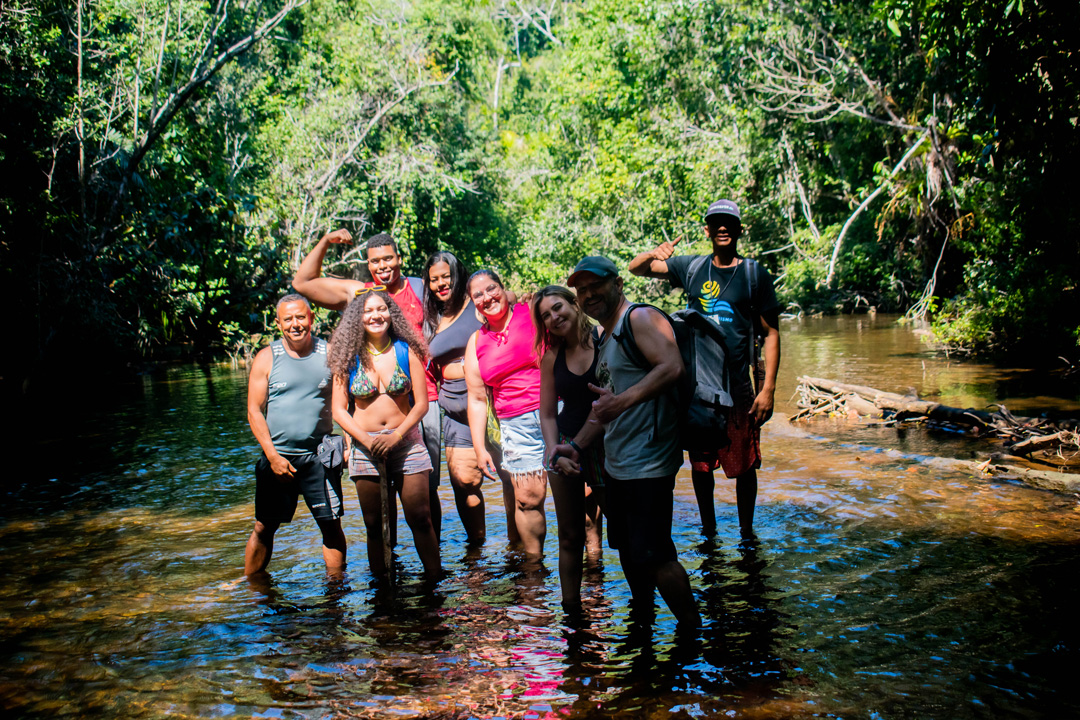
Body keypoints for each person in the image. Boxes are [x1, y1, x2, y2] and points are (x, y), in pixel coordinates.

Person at [559, 256, 700, 628]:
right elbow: (603, 411)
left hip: (650, 461)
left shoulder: (639, 318)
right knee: (629, 550)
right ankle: (644, 623)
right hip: (618, 465)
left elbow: (671, 367)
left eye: (596, 286)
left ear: (618, 284)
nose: (589, 295)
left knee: (656, 555)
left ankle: (691, 632)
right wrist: (575, 446)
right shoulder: (605, 336)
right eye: (582, 289)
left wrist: (622, 401)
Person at [629, 199, 781, 537]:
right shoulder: (692, 267)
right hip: (698, 385)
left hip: (739, 385)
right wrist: (656, 253)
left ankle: (746, 534)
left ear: (740, 229)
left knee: (745, 463)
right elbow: (635, 269)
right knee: (700, 464)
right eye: (716, 222)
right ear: (707, 230)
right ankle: (709, 532)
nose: (723, 227)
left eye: (729, 222)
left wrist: (768, 389)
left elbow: (771, 333)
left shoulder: (754, 274)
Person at [292, 228, 443, 536]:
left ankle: (434, 558)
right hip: (370, 404)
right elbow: (302, 283)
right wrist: (325, 241)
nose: (382, 266)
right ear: (368, 264)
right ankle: (391, 564)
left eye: (388, 258)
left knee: (425, 491)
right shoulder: (359, 294)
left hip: (424, 399)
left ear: (399, 259)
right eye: (375, 261)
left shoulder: (420, 287)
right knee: (378, 507)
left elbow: (461, 299)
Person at [327, 288, 441, 580]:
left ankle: (434, 581)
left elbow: (422, 404)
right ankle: (382, 593)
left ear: (391, 314)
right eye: (368, 311)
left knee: (421, 518)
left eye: (381, 309)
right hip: (366, 448)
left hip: (407, 443)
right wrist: (366, 441)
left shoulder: (407, 351)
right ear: (357, 318)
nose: (376, 316)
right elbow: (339, 410)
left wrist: (397, 435)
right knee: (375, 525)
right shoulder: (348, 357)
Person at [244, 294, 347, 576]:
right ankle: (252, 588)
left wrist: (348, 445)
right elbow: (254, 411)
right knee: (264, 525)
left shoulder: (330, 354)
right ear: (278, 324)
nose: (295, 324)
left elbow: (344, 406)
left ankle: (335, 592)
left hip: (319, 456)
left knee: (330, 524)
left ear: (311, 318)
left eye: (301, 317)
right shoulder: (267, 358)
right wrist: (272, 456)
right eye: (288, 319)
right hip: (278, 457)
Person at [463, 269, 548, 557]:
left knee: (580, 493)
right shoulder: (476, 342)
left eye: (491, 289)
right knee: (526, 499)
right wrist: (478, 447)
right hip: (515, 424)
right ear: (473, 303)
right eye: (478, 295)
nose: (487, 298)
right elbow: (475, 399)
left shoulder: (533, 313)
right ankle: (534, 569)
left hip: (557, 410)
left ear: (503, 288)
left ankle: (592, 564)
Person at [532, 285, 605, 610]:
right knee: (570, 537)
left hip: (607, 445)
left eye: (557, 307)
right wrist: (553, 450)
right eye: (546, 315)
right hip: (564, 446)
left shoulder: (605, 341)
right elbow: (547, 413)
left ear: (575, 304)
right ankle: (571, 612)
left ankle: (638, 610)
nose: (553, 317)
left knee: (624, 533)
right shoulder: (552, 356)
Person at [423, 251, 497, 544]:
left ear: (458, 275)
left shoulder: (476, 303)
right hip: (454, 411)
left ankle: (521, 552)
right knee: (465, 483)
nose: (441, 284)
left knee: (512, 480)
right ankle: (476, 551)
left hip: (493, 405)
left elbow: (507, 308)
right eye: (434, 279)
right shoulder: (431, 315)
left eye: (447, 276)